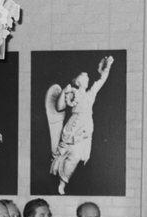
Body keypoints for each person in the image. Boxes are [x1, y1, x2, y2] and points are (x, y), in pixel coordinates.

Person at [45, 54, 114, 194]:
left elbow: (101, 80)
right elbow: (59, 107)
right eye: (83, 76)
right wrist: (64, 91)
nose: (86, 76)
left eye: (87, 77)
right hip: (74, 127)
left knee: (79, 157)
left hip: (86, 129)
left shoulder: (90, 94)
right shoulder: (72, 92)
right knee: (74, 156)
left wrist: (106, 68)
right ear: (76, 81)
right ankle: (62, 183)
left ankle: (64, 182)